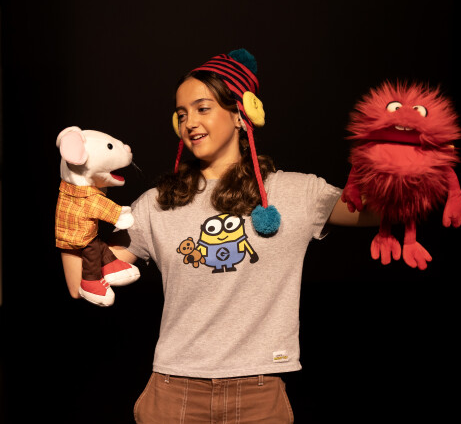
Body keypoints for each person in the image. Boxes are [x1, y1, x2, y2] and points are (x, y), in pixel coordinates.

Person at [60, 49, 379, 423]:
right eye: (182, 114)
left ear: (241, 114)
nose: (190, 123)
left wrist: (409, 162)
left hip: (259, 393)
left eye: (202, 108)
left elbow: (380, 213)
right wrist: (72, 197)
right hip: (174, 393)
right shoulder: (156, 204)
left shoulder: (296, 193)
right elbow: (81, 283)